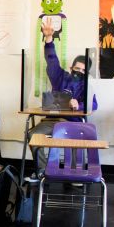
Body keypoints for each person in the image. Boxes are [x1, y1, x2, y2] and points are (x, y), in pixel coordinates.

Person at [26, 18, 99, 181]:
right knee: (33, 135)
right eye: (76, 68)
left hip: (73, 122)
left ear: (86, 72)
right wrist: (49, 39)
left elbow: (94, 104)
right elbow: (52, 60)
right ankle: (43, 171)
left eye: (82, 70)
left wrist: (79, 104)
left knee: (76, 139)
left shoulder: (86, 85)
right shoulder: (60, 77)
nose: (78, 71)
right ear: (71, 67)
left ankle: (74, 173)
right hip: (52, 121)